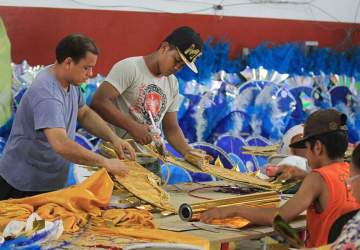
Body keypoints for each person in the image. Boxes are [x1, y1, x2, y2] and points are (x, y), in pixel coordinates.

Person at [0, 33, 135, 200]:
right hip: (24, 185)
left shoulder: (70, 80)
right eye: (86, 67)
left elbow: (84, 113)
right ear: (68, 63)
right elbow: (61, 144)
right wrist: (106, 163)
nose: (91, 73)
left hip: (49, 181)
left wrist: (113, 138)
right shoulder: (47, 93)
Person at [200, 109, 360, 248]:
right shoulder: (351, 173)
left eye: (307, 149)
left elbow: (279, 217)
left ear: (317, 147)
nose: (307, 156)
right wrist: (303, 176)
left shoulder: (316, 179)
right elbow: (332, 187)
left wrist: (231, 209)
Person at [90, 26, 207, 174]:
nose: (177, 67)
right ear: (164, 48)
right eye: (176, 60)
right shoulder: (130, 68)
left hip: (151, 162)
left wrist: (188, 152)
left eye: (182, 65)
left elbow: (170, 127)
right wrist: (132, 126)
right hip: (118, 158)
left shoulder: (172, 83)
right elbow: (99, 101)